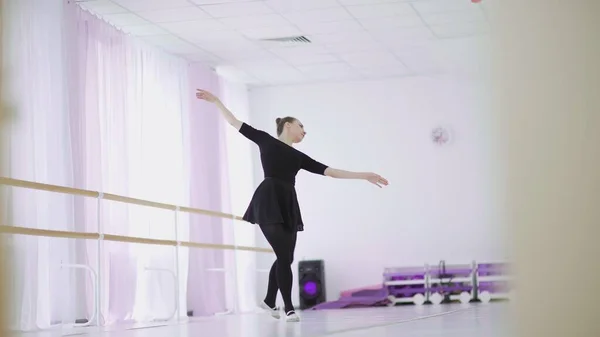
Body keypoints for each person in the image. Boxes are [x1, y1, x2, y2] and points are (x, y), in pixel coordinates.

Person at [196, 89, 389, 322]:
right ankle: (288, 307)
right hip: (268, 200)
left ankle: (269, 301)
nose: (304, 132)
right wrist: (216, 101)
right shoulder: (265, 139)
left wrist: (365, 175)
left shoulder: (299, 158)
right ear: (287, 125)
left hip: (287, 203)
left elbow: (332, 172)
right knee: (282, 254)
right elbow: (234, 122)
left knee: (285, 257)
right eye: (301, 127)